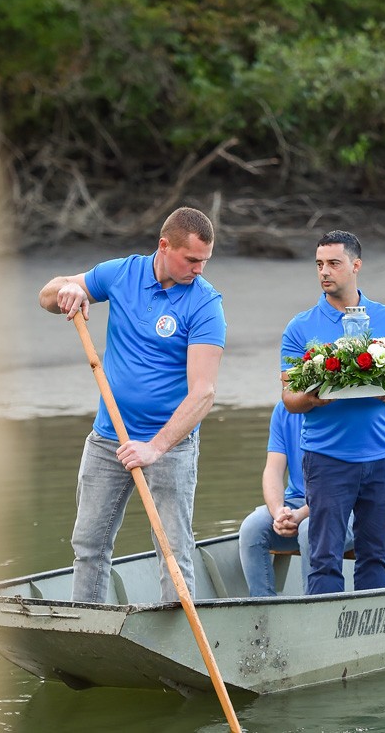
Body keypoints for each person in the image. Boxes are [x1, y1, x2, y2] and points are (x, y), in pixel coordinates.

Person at [38, 206, 226, 603]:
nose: (200, 269)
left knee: (173, 549)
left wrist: (155, 448)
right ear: (164, 246)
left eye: (205, 261)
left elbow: (203, 392)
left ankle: (177, 641)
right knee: (88, 545)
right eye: (192, 260)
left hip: (169, 447)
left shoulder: (206, 303)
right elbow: (47, 295)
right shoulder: (122, 273)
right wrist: (66, 291)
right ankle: (85, 631)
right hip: (108, 439)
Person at [281, 230, 385, 594]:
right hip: (327, 459)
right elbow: (289, 398)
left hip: (382, 455)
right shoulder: (300, 327)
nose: (325, 272)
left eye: (333, 263)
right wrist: (315, 398)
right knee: (323, 558)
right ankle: (324, 638)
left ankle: (372, 636)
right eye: (319, 264)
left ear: (356, 265)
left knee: (374, 555)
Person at [237, 403, 354, 596]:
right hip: (297, 505)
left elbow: (339, 485)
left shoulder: (339, 407)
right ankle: (264, 612)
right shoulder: (283, 410)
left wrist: (300, 515)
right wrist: (278, 513)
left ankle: (310, 611)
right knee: (252, 528)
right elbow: (273, 470)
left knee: (310, 530)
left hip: (345, 509)